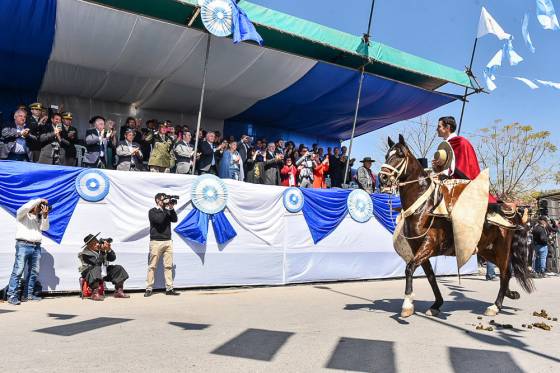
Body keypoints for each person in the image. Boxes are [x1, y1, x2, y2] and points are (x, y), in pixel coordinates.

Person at [433, 116, 497, 203]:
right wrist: (437, 167)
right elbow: (445, 168)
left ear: (447, 128)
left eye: (439, 126)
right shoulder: (445, 145)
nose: (437, 129)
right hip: (446, 182)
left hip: (461, 184)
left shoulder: (461, 142)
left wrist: (445, 174)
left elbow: (462, 168)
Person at [5, 199, 50, 305]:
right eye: (39, 206)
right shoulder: (23, 215)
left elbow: (46, 228)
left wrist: (45, 215)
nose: (40, 207)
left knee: (34, 271)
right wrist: (39, 200)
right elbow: (25, 208)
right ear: (33, 205)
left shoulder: (39, 217)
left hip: (36, 246)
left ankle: (28, 295)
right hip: (23, 245)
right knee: (18, 270)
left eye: (41, 206)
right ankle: (12, 295)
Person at [145, 193, 180, 297]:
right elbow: (159, 221)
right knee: (152, 266)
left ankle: (169, 288)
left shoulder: (167, 211)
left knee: (168, 266)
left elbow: (174, 219)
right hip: (156, 241)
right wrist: (165, 209)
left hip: (168, 241)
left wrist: (171, 208)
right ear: (157, 200)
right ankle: (149, 288)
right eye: (163, 199)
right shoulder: (152, 211)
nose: (165, 200)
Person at [79, 233, 130, 301]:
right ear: (89, 245)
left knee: (118, 268)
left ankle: (118, 291)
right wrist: (102, 252)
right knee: (96, 268)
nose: (96, 244)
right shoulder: (85, 254)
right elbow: (96, 263)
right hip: (89, 272)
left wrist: (109, 249)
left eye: (96, 242)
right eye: (93, 243)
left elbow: (112, 258)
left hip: (102, 271)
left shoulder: (100, 248)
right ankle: (95, 293)